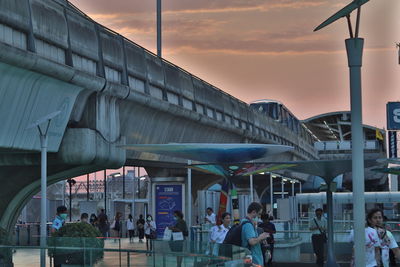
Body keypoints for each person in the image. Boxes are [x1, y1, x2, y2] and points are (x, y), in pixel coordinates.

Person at [241, 202, 269, 266]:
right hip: (253, 260)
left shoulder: (249, 224)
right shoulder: (248, 225)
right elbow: (252, 242)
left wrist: (261, 239)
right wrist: (261, 237)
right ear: (253, 212)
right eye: (259, 214)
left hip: (254, 259)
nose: (259, 217)